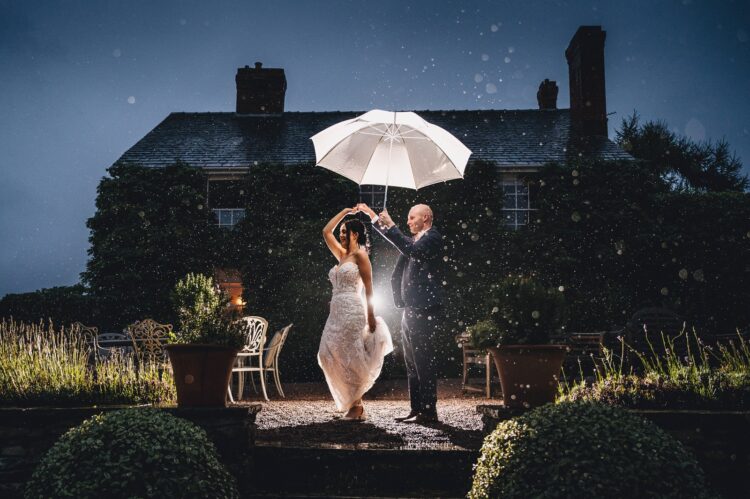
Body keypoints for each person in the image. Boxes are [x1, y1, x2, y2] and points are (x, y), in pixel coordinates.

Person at [358, 202, 444, 424]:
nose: (408, 221)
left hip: (424, 309)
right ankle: (416, 409)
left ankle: (428, 411)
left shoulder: (433, 238)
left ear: (426, 218)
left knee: (423, 359)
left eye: (412, 217)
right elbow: (400, 244)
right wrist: (374, 219)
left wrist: (393, 224)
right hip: (410, 307)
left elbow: (411, 250)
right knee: (411, 361)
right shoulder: (414, 239)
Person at [317, 206, 393, 421]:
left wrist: (370, 316)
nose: (340, 235)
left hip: (353, 311)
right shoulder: (342, 255)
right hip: (336, 312)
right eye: (340, 232)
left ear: (355, 234)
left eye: (344, 231)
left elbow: (369, 288)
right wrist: (343, 213)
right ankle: (352, 401)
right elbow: (325, 232)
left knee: (351, 357)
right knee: (326, 354)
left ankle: (356, 405)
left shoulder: (361, 256)